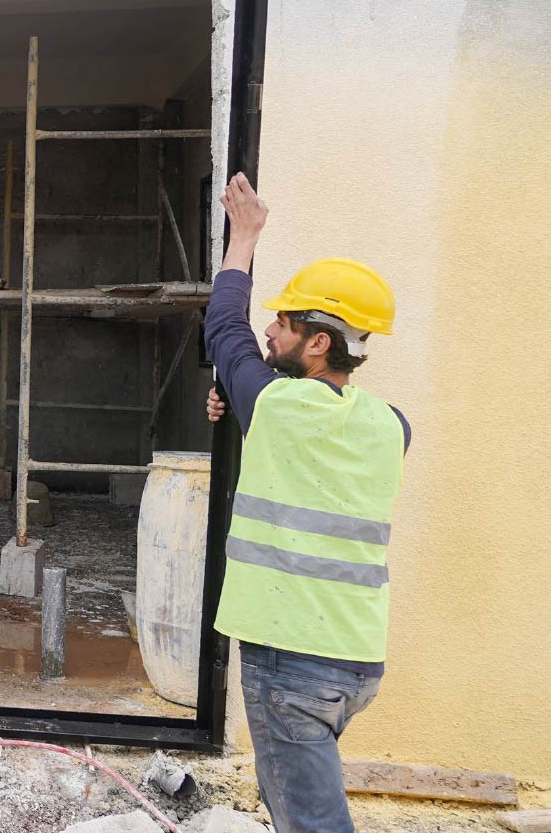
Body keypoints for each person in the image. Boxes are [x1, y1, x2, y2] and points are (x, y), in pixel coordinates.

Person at [203, 173, 409, 833]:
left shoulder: (276, 407)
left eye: (285, 324)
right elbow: (306, 462)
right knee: (300, 805)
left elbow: (223, 325)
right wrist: (239, 408)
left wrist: (245, 237)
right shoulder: (390, 425)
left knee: (313, 825)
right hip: (356, 665)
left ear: (319, 344)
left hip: (291, 667)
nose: (270, 330)